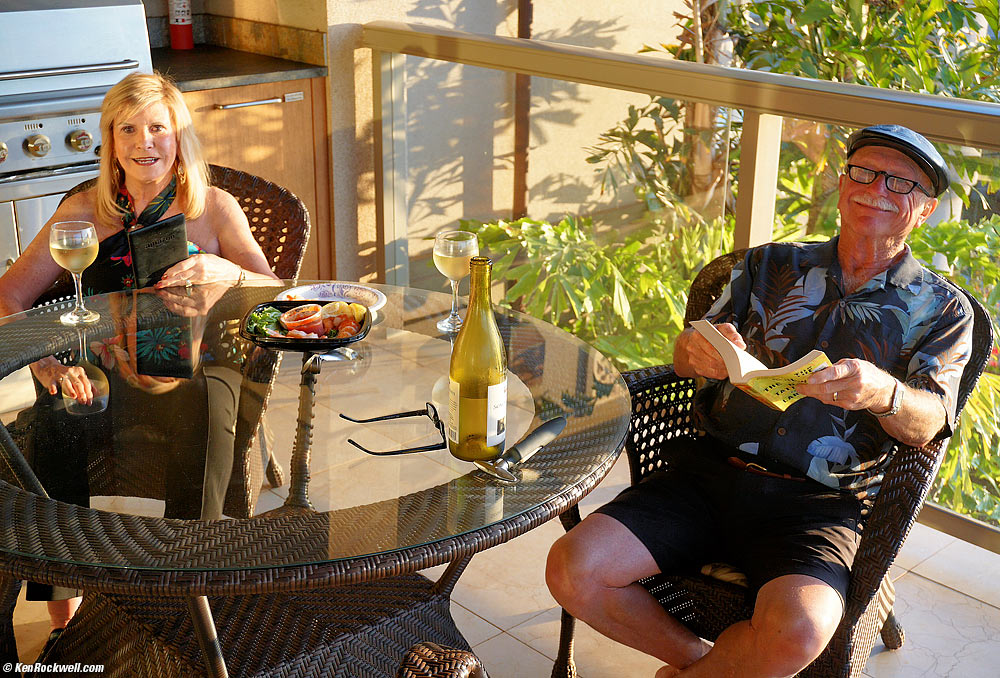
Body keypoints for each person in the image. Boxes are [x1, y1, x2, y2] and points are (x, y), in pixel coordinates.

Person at [546, 125, 974, 678]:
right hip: (705, 475)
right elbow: (684, 354)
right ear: (843, 182)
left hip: (818, 502)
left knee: (800, 630)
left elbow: (931, 422)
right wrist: (695, 352)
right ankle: (703, 664)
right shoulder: (766, 265)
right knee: (571, 570)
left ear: (926, 208)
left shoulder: (942, 310)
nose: (877, 189)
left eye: (901, 182)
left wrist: (884, 392)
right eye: (864, 171)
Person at [0, 71, 278, 650]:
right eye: (127, 128)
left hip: (205, 361)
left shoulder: (215, 208)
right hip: (105, 357)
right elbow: (9, 296)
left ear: (180, 137)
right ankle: (65, 607)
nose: (142, 141)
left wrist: (228, 272)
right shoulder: (84, 209)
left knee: (202, 413)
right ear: (110, 139)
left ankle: (191, 586)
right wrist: (45, 362)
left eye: (158, 127)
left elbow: (279, 289)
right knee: (61, 414)